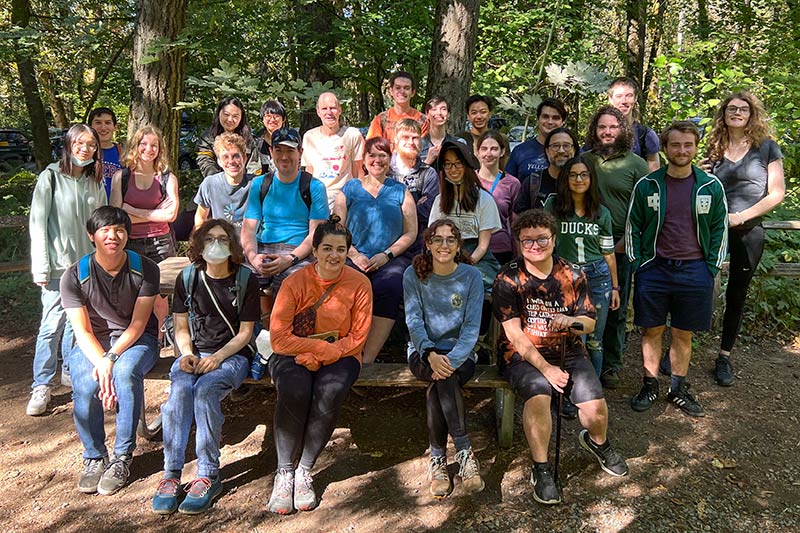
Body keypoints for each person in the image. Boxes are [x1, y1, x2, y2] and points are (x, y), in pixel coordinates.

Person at [492, 209, 628, 506]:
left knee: (596, 409)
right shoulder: (507, 278)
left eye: (542, 238)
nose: (535, 245)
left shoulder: (573, 274)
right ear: (518, 242)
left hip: (568, 351)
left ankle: (597, 442)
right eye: (527, 240)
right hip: (522, 356)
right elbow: (514, 335)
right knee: (539, 395)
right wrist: (547, 370)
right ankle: (541, 469)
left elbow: (590, 323)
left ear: (554, 239)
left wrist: (571, 322)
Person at [152, 219, 259, 515]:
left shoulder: (245, 279)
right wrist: (185, 353)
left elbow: (245, 333)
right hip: (194, 353)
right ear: (198, 244)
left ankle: (209, 474)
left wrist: (218, 358)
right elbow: (181, 324)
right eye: (209, 238)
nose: (216, 244)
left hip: (232, 355)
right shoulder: (188, 278)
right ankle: (171, 474)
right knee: (179, 396)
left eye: (223, 239)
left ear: (232, 245)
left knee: (206, 392)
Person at [267, 215, 372, 514]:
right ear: (314, 251)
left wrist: (324, 353)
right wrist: (315, 348)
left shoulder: (360, 283)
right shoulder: (294, 282)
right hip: (293, 353)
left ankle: (304, 469)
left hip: (341, 354)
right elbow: (279, 340)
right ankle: (284, 472)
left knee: (330, 391)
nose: (334, 255)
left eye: (341, 249)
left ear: (348, 251)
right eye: (327, 248)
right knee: (294, 388)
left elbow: (358, 337)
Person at [627, 121, 728, 416]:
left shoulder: (710, 185)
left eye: (688, 145)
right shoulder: (648, 185)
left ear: (696, 147)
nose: (682, 151)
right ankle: (649, 383)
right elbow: (633, 224)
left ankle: (678, 388)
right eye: (675, 145)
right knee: (651, 330)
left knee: (684, 333)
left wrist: (710, 267)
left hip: (695, 270)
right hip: (654, 268)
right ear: (666, 148)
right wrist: (638, 264)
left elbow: (721, 228)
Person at [61, 206, 160, 495]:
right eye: (105, 230)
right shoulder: (74, 275)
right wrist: (103, 363)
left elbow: (139, 324)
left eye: (119, 230)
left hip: (135, 341)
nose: (112, 236)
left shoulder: (145, 269)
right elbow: (83, 331)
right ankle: (94, 456)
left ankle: (122, 456)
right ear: (92, 236)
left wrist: (112, 359)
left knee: (127, 374)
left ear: (127, 235)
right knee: (82, 384)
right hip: (92, 343)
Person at [705, 91, 785, 387]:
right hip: (713, 227)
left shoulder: (767, 148)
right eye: (731, 108)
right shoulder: (714, 146)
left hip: (749, 229)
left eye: (743, 109)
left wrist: (741, 216)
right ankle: (679, 348)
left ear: (752, 115)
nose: (737, 112)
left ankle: (724, 356)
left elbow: (777, 193)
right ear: (723, 114)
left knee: (737, 293)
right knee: (697, 284)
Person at [27, 124, 108, 415]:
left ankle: (71, 371)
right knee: (51, 326)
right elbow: (37, 223)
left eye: (91, 145)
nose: (85, 149)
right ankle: (42, 385)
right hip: (58, 267)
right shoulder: (50, 177)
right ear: (69, 144)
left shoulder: (93, 180)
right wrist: (41, 266)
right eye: (81, 144)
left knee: (80, 326)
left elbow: (102, 224)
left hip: (86, 265)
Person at [403, 219, 485, 498]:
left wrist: (449, 360)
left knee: (441, 383)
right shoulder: (412, 275)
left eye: (451, 240)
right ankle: (464, 452)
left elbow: (472, 328)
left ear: (459, 245)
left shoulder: (471, 276)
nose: (444, 245)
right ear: (428, 244)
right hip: (422, 352)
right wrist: (429, 353)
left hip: (460, 353)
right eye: (437, 239)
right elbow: (414, 322)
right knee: (441, 380)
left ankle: (438, 459)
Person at [581, 106, 650, 389]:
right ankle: (582, 361)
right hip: (586, 242)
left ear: (622, 130)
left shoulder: (636, 164)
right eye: (602, 127)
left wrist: (627, 241)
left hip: (620, 244)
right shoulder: (585, 160)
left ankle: (611, 363)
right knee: (582, 303)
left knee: (615, 306)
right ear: (594, 131)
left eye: (613, 127)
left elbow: (644, 209)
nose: (607, 132)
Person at [334, 136, 418, 363]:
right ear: (364, 158)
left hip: (391, 259)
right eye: (372, 155)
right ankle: (345, 353)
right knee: (346, 286)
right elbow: (336, 229)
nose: (377, 160)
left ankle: (367, 359)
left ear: (390, 159)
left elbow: (411, 233)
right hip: (353, 256)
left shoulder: (401, 191)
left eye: (383, 155)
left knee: (390, 286)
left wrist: (386, 255)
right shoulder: (349, 189)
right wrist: (354, 255)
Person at [241, 127, 329, 326]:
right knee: (240, 279)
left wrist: (289, 259)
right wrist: (253, 257)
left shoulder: (314, 187)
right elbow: (248, 228)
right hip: (263, 248)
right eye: (278, 150)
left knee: (291, 282)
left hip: (299, 252)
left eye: (290, 150)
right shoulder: (259, 184)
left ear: (300, 153)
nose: (284, 156)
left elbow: (316, 234)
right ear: (271, 152)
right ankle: (253, 339)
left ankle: (285, 338)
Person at [544, 157, 619, 378]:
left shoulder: (601, 212)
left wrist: (615, 287)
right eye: (573, 175)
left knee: (595, 338)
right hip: (565, 276)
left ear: (591, 179)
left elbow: (608, 252)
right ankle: (571, 390)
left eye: (584, 174)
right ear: (565, 179)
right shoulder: (553, 206)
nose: (579, 179)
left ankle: (592, 391)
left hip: (597, 276)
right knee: (573, 336)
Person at [110, 126, 180, 331]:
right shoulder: (121, 177)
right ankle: (136, 336)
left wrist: (132, 209)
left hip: (161, 243)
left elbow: (170, 215)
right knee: (133, 292)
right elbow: (118, 217)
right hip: (130, 243)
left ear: (160, 149)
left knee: (162, 294)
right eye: (144, 144)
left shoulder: (167, 178)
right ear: (135, 146)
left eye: (154, 145)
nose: (149, 149)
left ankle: (163, 337)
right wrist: (153, 214)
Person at [429, 140, 501, 289]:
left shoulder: (484, 200)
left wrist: (462, 267)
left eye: (458, 163)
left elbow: (482, 246)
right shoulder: (439, 201)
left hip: (477, 259)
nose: (453, 169)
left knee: (465, 281)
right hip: (444, 255)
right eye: (448, 164)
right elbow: (432, 238)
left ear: (467, 165)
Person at [301, 92, 365, 208]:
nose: (329, 112)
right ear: (318, 112)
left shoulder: (352, 134)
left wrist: (359, 199)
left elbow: (358, 170)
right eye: (324, 109)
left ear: (340, 110)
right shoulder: (309, 137)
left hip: (345, 195)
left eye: (333, 108)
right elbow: (308, 172)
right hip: (318, 195)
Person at [388, 118, 440, 235]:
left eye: (415, 138)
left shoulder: (428, 174)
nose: (411, 142)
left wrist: (394, 207)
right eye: (405, 137)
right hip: (386, 241)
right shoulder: (385, 171)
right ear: (395, 140)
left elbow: (428, 212)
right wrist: (415, 205)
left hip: (418, 244)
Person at [193, 132, 255, 231]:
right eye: (225, 157)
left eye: (236, 156)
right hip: (222, 242)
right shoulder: (210, 184)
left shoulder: (256, 184)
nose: (231, 161)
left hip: (251, 242)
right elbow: (200, 217)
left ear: (244, 158)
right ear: (219, 161)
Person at [475, 130, 520, 265]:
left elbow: (515, 224)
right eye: (484, 149)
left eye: (494, 149)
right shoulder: (468, 180)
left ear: (502, 151)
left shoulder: (512, 184)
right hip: (472, 247)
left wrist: (519, 257)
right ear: (477, 152)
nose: (488, 153)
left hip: (500, 249)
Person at [513, 127, 579, 212]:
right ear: (547, 151)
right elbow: (519, 218)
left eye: (566, 146)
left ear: (575, 150)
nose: (561, 151)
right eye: (555, 146)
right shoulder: (533, 182)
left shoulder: (583, 182)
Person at [506, 98, 567, 184]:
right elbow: (507, 186)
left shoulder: (571, 152)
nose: (550, 122)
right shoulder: (520, 151)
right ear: (537, 120)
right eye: (545, 117)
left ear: (562, 122)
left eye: (555, 118)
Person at [196, 96, 261, 177]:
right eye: (226, 114)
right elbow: (205, 163)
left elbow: (254, 168)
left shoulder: (248, 139)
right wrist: (220, 181)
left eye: (235, 116)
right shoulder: (208, 138)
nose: (230, 119)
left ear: (241, 117)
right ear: (219, 113)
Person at [607, 77, 660, 172]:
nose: (624, 101)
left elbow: (653, 173)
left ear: (635, 98)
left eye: (629, 96)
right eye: (619, 96)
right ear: (610, 99)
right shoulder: (600, 133)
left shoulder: (645, 135)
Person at [366, 71, 428, 148]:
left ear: (413, 92)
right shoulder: (381, 119)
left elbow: (422, 150)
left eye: (407, 88)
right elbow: (372, 147)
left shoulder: (422, 120)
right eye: (398, 88)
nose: (402, 91)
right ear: (391, 91)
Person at [419, 96, 467, 165]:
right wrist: (428, 161)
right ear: (427, 114)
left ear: (448, 114)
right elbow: (412, 174)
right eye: (434, 109)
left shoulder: (459, 143)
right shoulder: (418, 145)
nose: (439, 113)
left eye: (443, 109)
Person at [88, 107, 122, 199]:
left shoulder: (124, 154)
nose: (103, 128)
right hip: (88, 209)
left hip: (115, 210)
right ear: (90, 127)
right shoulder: (83, 154)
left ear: (115, 127)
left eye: (108, 123)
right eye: (98, 122)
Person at [255, 100, 287, 175]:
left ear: (283, 119)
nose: (272, 119)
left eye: (276, 116)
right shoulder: (255, 142)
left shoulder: (291, 141)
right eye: (268, 116)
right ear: (262, 119)